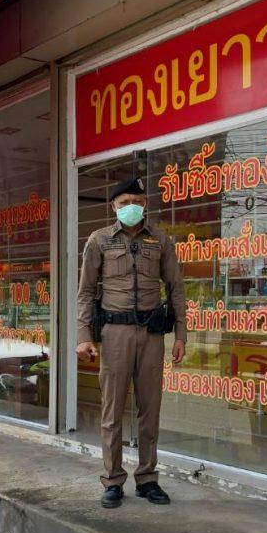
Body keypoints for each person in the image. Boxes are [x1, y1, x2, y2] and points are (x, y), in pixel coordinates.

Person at [76, 178, 186, 509]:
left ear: (145, 204)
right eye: (124, 202)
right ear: (113, 206)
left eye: (136, 201)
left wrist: (181, 335)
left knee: (150, 410)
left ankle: (147, 479)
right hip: (115, 335)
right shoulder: (99, 240)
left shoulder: (160, 240)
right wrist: (84, 336)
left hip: (152, 335)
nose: (130, 207)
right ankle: (112, 480)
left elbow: (176, 289)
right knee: (112, 411)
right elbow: (86, 291)